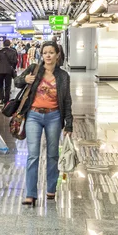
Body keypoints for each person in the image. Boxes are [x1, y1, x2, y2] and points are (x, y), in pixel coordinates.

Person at [15, 41, 73, 207]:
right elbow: (16, 82)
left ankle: (51, 189)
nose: (48, 55)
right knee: (33, 154)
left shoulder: (63, 76)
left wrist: (69, 124)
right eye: (45, 52)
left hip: (54, 116)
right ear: (42, 54)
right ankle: (30, 193)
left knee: (53, 154)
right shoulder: (34, 69)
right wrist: (25, 79)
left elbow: (67, 100)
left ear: (57, 55)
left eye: (51, 52)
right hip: (33, 115)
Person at [0, 40, 18, 105]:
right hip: (8, 71)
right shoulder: (13, 52)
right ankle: (6, 100)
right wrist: (13, 68)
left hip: (0, 71)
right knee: (8, 86)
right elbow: (15, 61)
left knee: (0, 85)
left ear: (3, 44)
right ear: (10, 44)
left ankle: (1, 98)